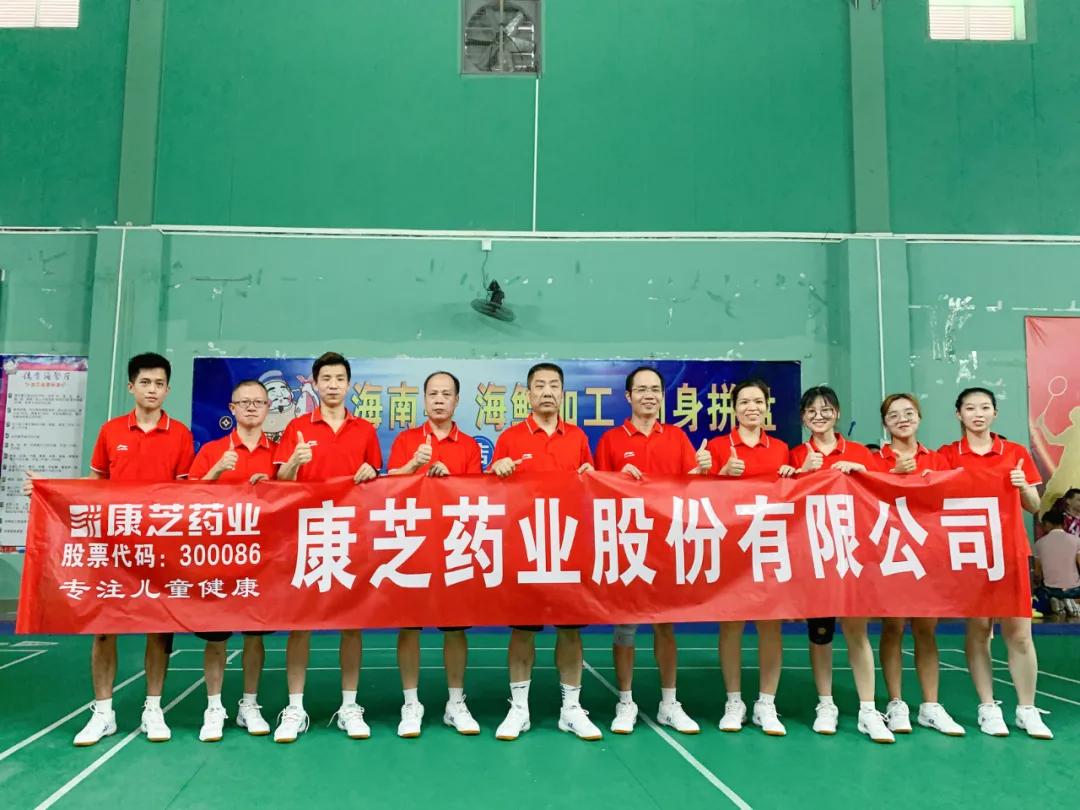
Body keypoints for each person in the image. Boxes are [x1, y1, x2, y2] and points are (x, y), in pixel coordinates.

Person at [23, 353, 194, 746]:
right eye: (145, 382)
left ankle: (153, 709)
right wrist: (49, 489)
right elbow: (94, 485)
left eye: (159, 384)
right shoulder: (111, 431)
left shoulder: (181, 435)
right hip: (111, 548)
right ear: (131, 387)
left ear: (168, 389)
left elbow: (188, 493)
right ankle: (103, 712)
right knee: (103, 630)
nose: (152, 390)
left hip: (159, 548)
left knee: (159, 631)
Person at [593, 366, 710, 736]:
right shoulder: (611, 440)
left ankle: (669, 703)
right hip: (628, 543)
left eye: (655, 389)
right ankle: (625, 701)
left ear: (662, 395)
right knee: (625, 627)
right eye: (641, 389)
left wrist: (704, 471)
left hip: (667, 544)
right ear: (628, 396)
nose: (649, 395)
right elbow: (596, 491)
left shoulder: (676, 437)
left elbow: (692, 490)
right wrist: (617, 478)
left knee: (665, 625)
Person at [272, 352, 382, 743]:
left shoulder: (364, 430)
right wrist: (294, 462)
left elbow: (377, 481)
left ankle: (350, 706)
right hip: (306, 535)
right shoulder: (298, 427)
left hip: (351, 534)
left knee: (351, 625)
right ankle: (295, 708)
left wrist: (372, 472)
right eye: (326, 378)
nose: (333, 385)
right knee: (300, 624)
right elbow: (279, 483)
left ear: (348, 384)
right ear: (315, 384)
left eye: (339, 378)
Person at [488, 362, 601, 742]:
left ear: (563, 393)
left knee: (570, 632)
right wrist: (497, 468)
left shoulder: (578, 437)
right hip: (525, 548)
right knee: (523, 631)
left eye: (554, 385)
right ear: (528, 394)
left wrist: (590, 476)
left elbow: (591, 489)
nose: (547, 391)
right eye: (539, 385)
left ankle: (571, 709)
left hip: (568, 548)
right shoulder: (510, 437)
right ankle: (519, 708)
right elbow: (491, 492)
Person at [938, 387, 1053, 740]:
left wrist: (1023, 487)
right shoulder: (947, 455)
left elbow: (1035, 506)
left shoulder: (1015, 453)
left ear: (994, 413)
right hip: (969, 554)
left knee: (1019, 634)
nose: (978, 414)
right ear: (958, 414)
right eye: (970, 408)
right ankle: (987, 707)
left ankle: (1027, 709)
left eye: (985, 407)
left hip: (1010, 552)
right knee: (979, 631)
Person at [782, 385, 894, 743]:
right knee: (821, 635)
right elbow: (781, 500)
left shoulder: (860, 452)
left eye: (826, 409)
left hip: (852, 555)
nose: (819, 416)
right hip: (814, 556)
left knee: (856, 631)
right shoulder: (795, 453)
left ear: (838, 413)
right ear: (803, 418)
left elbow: (885, 492)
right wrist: (799, 472)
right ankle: (826, 704)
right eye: (811, 411)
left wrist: (861, 470)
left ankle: (867, 709)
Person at [386, 371, 483, 738]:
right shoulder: (406, 440)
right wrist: (415, 465)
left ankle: (455, 703)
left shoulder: (469, 446)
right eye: (433, 394)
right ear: (424, 400)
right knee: (410, 626)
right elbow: (388, 486)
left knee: (454, 628)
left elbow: (479, 495)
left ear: (457, 401)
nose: (439, 400)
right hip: (412, 545)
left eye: (446, 394)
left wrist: (450, 478)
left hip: (454, 546)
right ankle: (410, 703)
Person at [867, 393, 964, 736]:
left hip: (927, 555)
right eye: (893, 415)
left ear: (919, 417)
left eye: (908, 413)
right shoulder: (874, 460)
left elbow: (950, 499)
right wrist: (893, 475)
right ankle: (895, 703)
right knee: (892, 627)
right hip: (891, 554)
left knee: (926, 629)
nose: (902, 419)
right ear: (885, 423)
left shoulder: (937, 460)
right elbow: (865, 497)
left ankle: (930, 705)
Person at [187, 380, 277, 741]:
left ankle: (249, 705)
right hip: (218, 557)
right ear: (232, 408)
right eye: (245, 402)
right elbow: (188, 499)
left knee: (255, 635)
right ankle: (213, 707)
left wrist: (274, 484)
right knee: (217, 637)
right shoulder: (212, 451)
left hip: (262, 559)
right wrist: (217, 472)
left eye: (258, 402)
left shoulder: (279, 454)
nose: (252, 407)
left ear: (268, 408)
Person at [707, 378, 790, 736]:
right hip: (731, 548)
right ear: (734, 408)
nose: (751, 407)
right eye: (744, 402)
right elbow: (700, 496)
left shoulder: (782, 449)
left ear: (767, 407)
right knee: (732, 625)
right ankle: (734, 701)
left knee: (770, 625)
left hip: (770, 547)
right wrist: (722, 474)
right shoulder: (717, 446)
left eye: (758, 401)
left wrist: (794, 475)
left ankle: (766, 703)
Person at [1035, 509, 1080, 615]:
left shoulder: (1039, 544)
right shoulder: (1077, 541)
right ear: (1063, 524)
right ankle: (1072, 603)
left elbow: (1038, 573)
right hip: (1074, 590)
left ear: (1047, 524)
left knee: (1039, 592)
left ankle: (1059, 603)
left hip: (1050, 591)